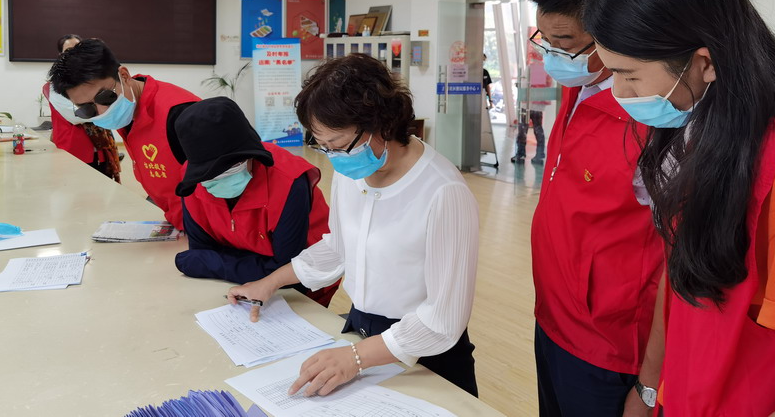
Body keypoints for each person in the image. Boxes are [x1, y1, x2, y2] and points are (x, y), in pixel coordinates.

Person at [582, 0, 775, 416]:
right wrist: (649, 388)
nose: (618, 93)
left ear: (705, 63)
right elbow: (682, 279)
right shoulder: (705, 129)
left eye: (630, 75)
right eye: (611, 73)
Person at [227, 53, 480, 398]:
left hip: (424, 352)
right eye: (323, 146)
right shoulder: (353, 171)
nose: (334, 156)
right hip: (361, 333)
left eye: (339, 144)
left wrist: (358, 358)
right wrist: (269, 282)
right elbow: (338, 248)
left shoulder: (443, 191)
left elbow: (443, 320)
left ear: (383, 124)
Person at [530, 0, 664, 416]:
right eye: (544, 40)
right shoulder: (577, 87)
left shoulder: (651, 116)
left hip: (609, 344)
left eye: (564, 41)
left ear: (609, 33)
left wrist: (650, 384)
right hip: (551, 316)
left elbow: (678, 260)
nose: (552, 53)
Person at [171, 97, 337, 306]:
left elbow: (287, 270)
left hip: (303, 290)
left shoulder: (289, 181)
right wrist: (221, 263)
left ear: (250, 154)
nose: (218, 177)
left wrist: (212, 263)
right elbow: (200, 251)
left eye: (228, 168)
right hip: (226, 291)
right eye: (209, 175)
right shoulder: (192, 180)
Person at [48, 38, 199, 229]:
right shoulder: (130, 113)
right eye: (87, 109)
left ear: (124, 76)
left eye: (105, 97)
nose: (102, 111)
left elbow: (220, 198)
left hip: (205, 233)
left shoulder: (181, 115)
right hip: (179, 224)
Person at [45, 34, 121, 182]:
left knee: (101, 187)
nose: (74, 55)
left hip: (100, 148)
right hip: (73, 149)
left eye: (78, 49)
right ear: (61, 55)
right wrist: (105, 106)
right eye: (69, 51)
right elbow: (76, 115)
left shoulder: (95, 80)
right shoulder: (55, 86)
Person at [511, 47, 551, 165]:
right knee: (538, 128)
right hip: (540, 104)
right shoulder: (546, 68)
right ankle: (540, 154)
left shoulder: (531, 68)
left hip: (527, 103)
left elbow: (525, 85)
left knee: (522, 128)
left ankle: (520, 154)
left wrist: (519, 86)